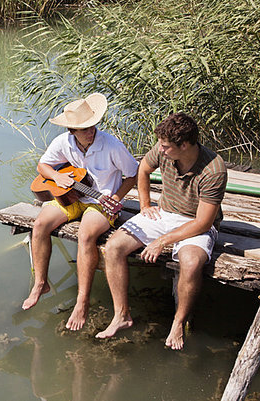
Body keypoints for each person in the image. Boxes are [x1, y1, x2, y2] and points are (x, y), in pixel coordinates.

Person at [96, 112, 227, 350]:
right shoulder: (163, 149)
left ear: (184, 145)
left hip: (195, 221)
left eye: (166, 147)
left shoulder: (213, 169)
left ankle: (178, 322)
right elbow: (143, 169)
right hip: (164, 213)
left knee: (190, 263)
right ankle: (121, 315)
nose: (161, 150)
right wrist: (145, 205)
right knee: (114, 247)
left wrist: (161, 242)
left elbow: (203, 223)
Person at [22, 93, 139, 333]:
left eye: (92, 126)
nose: (90, 132)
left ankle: (82, 301)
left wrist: (116, 197)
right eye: (83, 128)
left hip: (101, 202)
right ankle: (41, 283)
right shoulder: (63, 142)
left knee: (86, 235)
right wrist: (56, 176)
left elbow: (133, 174)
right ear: (72, 130)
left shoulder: (112, 145)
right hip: (74, 198)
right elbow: (42, 166)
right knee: (40, 224)